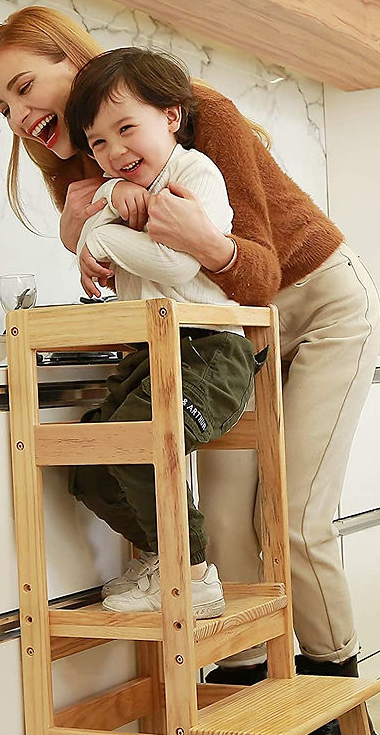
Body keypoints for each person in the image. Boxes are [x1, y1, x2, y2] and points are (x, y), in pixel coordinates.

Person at [0, 7, 380, 735]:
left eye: (25, 87)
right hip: (231, 336)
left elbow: (257, 273)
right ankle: (252, 720)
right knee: (229, 522)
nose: (21, 118)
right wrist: (81, 233)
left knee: (295, 518)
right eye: (2, 107)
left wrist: (176, 241)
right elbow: (144, 265)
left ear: (72, 61)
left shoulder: (202, 116)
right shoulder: (89, 164)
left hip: (318, 305)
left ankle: (340, 724)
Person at [63, 46, 264, 620]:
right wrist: (103, 208)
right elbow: (97, 232)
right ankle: (163, 555)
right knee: (88, 465)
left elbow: (176, 264)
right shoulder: (111, 191)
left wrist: (96, 240)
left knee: (139, 439)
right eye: (98, 142)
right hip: (146, 353)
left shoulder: (195, 171)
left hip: (209, 352)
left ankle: (192, 573)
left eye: (127, 128)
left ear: (170, 117)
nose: (115, 151)